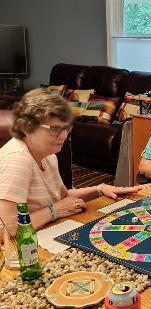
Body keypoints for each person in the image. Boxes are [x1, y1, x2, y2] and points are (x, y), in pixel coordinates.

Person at [0, 88, 141, 231]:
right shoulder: (18, 160)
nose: (63, 136)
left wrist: (100, 189)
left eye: (66, 128)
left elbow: (63, 197)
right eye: (54, 128)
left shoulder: (48, 156)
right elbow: (6, 229)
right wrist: (53, 211)